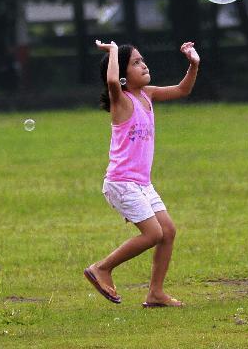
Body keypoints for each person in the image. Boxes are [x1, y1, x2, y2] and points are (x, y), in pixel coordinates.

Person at [85, 39, 199, 307]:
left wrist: (193, 64)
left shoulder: (148, 94)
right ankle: (101, 268)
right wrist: (113, 51)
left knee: (167, 231)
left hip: (141, 183)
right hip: (121, 183)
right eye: (136, 62)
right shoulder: (121, 100)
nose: (144, 64)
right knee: (153, 234)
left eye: (142, 59)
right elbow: (112, 81)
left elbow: (183, 90)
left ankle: (156, 293)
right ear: (123, 77)